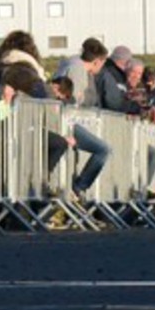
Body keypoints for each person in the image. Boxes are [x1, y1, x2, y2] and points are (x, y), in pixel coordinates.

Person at [54, 38, 113, 199]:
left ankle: (74, 188)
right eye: (102, 64)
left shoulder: (70, 63)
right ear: (97, 61)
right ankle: (79, 187)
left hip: (62, 119)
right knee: (103, 149)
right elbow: (72, 100)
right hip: (65, 122)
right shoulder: (78, 70)